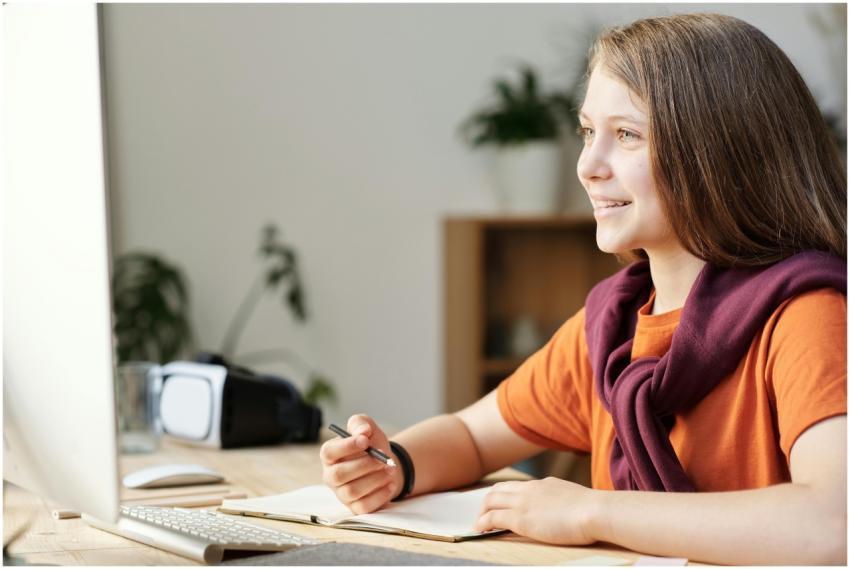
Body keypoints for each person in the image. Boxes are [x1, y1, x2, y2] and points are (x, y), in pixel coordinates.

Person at [319, 13, 847, 565]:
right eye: (588, 132)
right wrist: (394, 466)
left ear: (719, 152)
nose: (588, 166)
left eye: (627, 135)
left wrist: (592, 512)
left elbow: (834, 524)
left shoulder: (810, 317)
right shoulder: (612, 328)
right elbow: (471, 437)